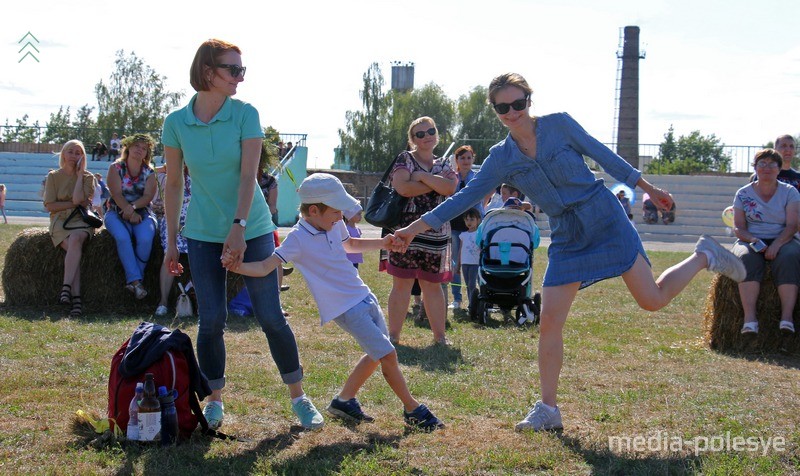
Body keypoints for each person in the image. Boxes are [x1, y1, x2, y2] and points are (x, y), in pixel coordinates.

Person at [395, 72, 746, 432]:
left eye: (519, 103)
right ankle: (548, 408)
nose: (512, 111)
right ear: (495, 110)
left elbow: (603, 156)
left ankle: (704, 255)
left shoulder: (559, 125)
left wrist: (648, 187)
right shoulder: (500, 157)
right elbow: (463, 198)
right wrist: (412, 228)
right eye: (504, 107)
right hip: (566, 233)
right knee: (549, 320)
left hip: (603, 216)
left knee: (651, 299)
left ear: (529, 100)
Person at [161, 38, 323, 430]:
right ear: (207, 72)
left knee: (270, 316)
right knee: (212, 318)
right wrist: (171, 240)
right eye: (232, 70)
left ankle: (299, 397)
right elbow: (173, 185)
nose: (240, 77)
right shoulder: (175, 123)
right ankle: (214, 399)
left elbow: (250, 175)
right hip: (201, 233)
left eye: (241, 69)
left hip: (252, 229)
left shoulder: (245, 114)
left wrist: (238, 228)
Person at [223, 173, 444, 431]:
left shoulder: (332, 223)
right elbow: (264, 266)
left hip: (364, 295)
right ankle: (412, 409)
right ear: (314, 210)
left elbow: (350, 244)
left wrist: (383, 243)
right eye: (336, 211)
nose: (341, 216)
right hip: (345, 309)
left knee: (376, 355)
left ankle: (344, 401)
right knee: (387, 354)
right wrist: (236, 267)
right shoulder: (296, 239)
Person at [383, 116, 457, 346]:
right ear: (412, 139)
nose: (427, 136)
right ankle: (393, 336)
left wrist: (423, 177)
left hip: (436, 233)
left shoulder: (445, 162)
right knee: (401, 284)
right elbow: (403, 188)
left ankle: (440, 337)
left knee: (433, 286)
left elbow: (451, 188)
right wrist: (436, 183)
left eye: (431, 131)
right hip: (404, 232)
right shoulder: (404, 158)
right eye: (420, 133)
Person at [732, 149, 800, 335]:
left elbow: (793, 225)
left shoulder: (790, 192)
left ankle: (787, 318)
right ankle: (750, 319)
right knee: (745, 258)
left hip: (783, 238)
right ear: (755, 168)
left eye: (772, 164)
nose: (767, 167)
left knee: (791, 256)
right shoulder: (743, 193)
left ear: (779, 169)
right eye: (762, 163)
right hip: (751, 238)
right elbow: (738, 227)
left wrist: (777, 244)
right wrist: (754, 240)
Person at [43, 140, 98, 317]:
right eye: (71, 152)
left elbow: (78, 200)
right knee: (74, 252)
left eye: (78, 153)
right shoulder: (53, 176)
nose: (74, 156)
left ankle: (66, 289)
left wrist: (80, 175)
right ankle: (76, 301)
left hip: (81, 220)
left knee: (75, 241)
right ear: (63, 154)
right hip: (60, 221)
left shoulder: (88, 177)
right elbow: (50, 206)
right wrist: (70, 204)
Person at [105, 133, 158, 300]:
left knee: (145, 238)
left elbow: (148, 195)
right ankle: (137, 283)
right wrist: (128, 210)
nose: (139, 150)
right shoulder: (115, 167)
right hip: (116, 211)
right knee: (122, 237)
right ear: (128, 147)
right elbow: (116, 193)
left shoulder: (149, 172)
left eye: (144, 148)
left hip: (142, 213)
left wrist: (133, 209)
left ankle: (134, 282)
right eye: (137, 146)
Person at [152, 163, 192, 316]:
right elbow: (153, 169)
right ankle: (163, 302)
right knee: (169, 254)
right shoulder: (171, 176)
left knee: (203, 253)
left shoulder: (201, 176)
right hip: (173, 221)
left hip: (196, 222)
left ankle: (198, 299)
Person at [446, 146, 482, 311]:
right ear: (456, 160)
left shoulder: (477, 179)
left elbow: (479, 203)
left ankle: (477, 298)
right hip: (454, 227)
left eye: (469, 158)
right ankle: (457, 299)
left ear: (473, 159)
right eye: (462, 158)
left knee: (475, 263)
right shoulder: (451, 178)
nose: (466, 161)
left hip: (472, 229)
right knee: (455, 263)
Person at [457, 207, 482, 310]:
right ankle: (471, 303)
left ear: (478, 220)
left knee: (473, 284)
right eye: (467, 219)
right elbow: (460, 250)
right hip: (465, 263)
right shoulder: (463, 235)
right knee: (468, 284)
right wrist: (458, 265)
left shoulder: (480, 234)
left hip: (475, 263)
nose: (469, 222)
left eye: (472, 219)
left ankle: (476, 303)